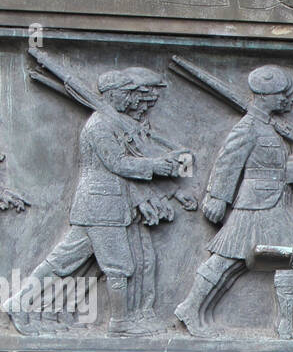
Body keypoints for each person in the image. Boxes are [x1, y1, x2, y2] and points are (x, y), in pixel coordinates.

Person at [2, 68, 186, 336]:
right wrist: (156, 166)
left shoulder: (114, 122)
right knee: (119, 266)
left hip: (106, 206)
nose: (132, 100)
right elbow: (117, 163)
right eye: (127, 94)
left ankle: (17, 303)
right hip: (101, 207)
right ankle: (120, 324)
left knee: (61, 261)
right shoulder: (100, 125)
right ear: (113, 95)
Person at [175, 65, 293, 339]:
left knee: (288, 259)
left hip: (271, 204)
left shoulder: (268, 128)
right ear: (266, 95)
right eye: (282, 94)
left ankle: (287, 324)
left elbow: (268, 169)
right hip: (254, 206)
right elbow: (228, 163)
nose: (288, 100)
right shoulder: (248, 128)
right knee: (226, 261)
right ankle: (189, 308)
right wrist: (218, 198)